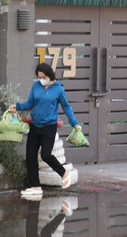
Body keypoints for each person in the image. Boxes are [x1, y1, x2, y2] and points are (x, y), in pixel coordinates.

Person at [9, 63, 81, 196]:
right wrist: (17, 106)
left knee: (46, 155)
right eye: (39, 77)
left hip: (49, 127)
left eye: (43, 77)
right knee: (30, 156)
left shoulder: (58, 89)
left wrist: (74, 123)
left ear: (49, 76)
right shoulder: (36, 86)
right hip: (35, 126)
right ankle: (35, 186)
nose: (41, 79)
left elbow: (66, 107)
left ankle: (64, 173)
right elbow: (30, 103)